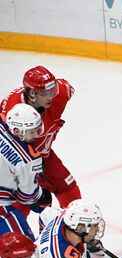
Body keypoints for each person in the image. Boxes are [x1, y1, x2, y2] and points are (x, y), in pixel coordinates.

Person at [1, 66, 81, 216]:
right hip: (21, 162)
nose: (51, 97)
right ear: (32, 93)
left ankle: (71, 230)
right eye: (45, 94)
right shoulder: (12, 111)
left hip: (43, 154)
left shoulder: (60, 93)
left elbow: (66, 87)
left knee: (69, 189)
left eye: (52, 91)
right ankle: (14, 236)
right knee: (25, 201)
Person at [0, 103, 52, 239]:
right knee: (25, 250)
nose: (36, 134)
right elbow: (27, 196)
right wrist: (42, 196)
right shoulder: (29, 159)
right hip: (1, 209)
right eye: (31, 131)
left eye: (37, 129)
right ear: (17, 131)